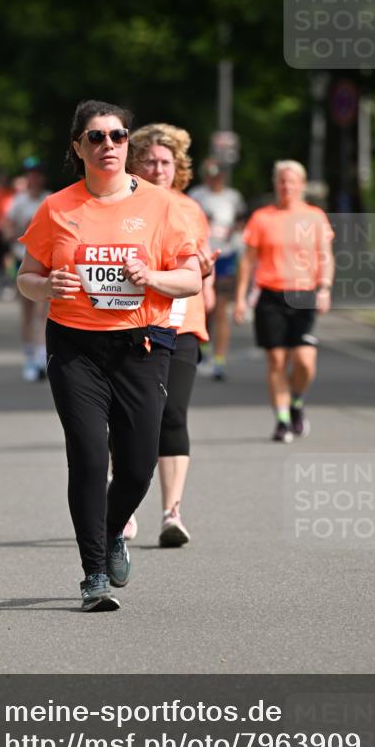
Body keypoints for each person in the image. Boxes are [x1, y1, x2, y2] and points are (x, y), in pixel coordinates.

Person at [17, 100, 200, 611]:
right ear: (77, 147)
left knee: (139, 466)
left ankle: (114, 528)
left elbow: (191, 277)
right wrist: (47, 283)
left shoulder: (162, 206)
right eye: (95, 138)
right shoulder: (57, 208)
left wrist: (154, 279)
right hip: (75, 343)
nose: (109, 146)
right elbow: (25, 279)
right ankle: (93, 574)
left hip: (142, 343)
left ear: (128, 143)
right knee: (90, 455)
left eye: (118, 136)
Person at [126, 123, 216, 546]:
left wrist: (205, 273)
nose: (159, 168)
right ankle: (122, 505)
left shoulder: (191, 209)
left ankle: (171, 513)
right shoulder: (121, 204)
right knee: (127, 418)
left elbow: (197, 264)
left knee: (173, 413)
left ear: (177, 168)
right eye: (150, 160)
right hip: (131, 321)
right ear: (135, 163)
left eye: (167, 162)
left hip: (183, 323)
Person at [234, 160, 334, 443]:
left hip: (304, 294)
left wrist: (325, 287)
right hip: (270, 294)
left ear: (301, 185)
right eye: (281, 181)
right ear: (275, 184)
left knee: (304, 361)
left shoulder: (315, 217)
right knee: (276, 360)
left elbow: (326, 256)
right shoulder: (262, 218)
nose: (286, 186)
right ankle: (281, 420)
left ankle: (297, 403)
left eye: (291, 181)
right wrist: (241, 298)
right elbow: (248, 261)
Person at [189, 161, 247, 379]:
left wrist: (235, 231)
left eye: (218, 175)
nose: (215, 179)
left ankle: (219, 361)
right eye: (210, 175)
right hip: (202, 255)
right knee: (204, 307)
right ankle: (203, 347)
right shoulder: (197, 195)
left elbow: (242, 221)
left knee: (221, 309)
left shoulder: (233, 197)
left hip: (225, 256)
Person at [3, 161, 51, 380]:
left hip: (45, 262)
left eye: (38, 174)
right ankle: (29, 356)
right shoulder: (18, 201)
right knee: (27, 311)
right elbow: (6, 228)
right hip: (21, 258)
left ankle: (42, 358)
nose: (35, 179)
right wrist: (21, 233)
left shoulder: (49, 199)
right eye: (31, 174)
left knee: (43, 311)